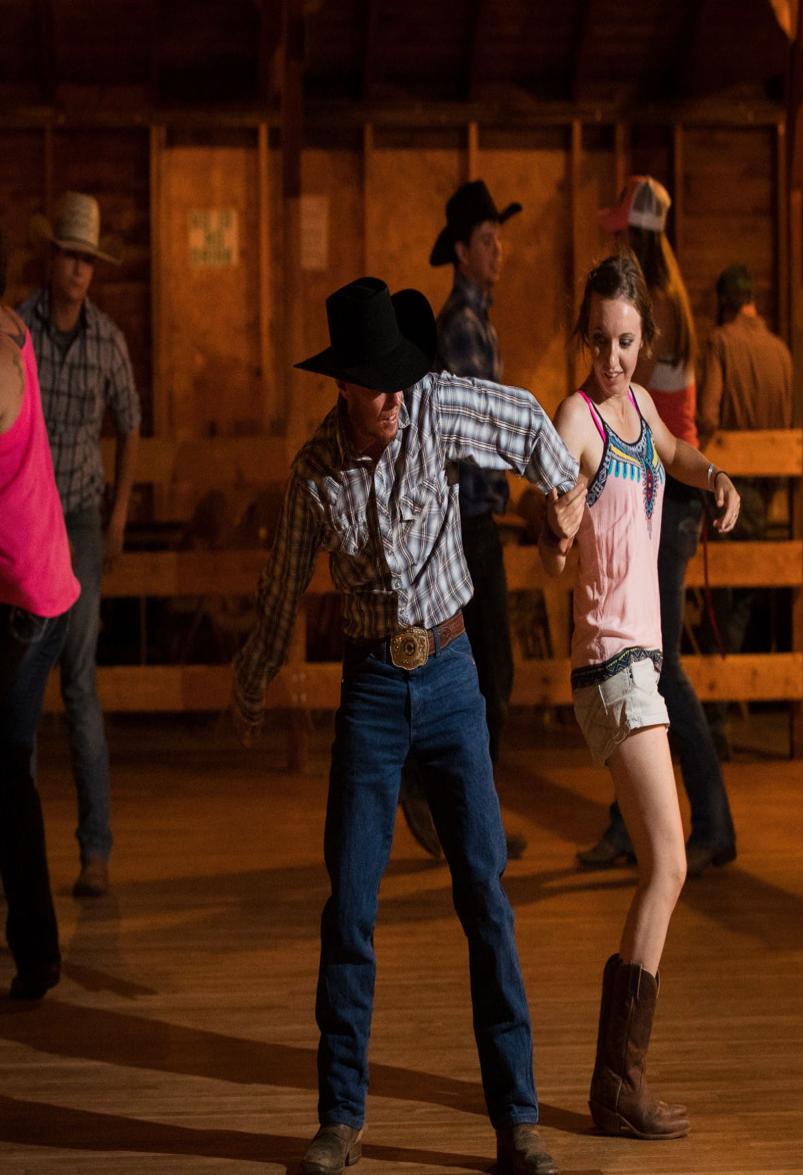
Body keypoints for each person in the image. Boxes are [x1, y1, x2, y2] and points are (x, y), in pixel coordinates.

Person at [231, 277, 584, 1175]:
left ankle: (517, 1116)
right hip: (373, 688)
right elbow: (280, 585)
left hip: (454, 675)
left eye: (400, 377)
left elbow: (522, 421)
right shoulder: (314, 474)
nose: (394, 394)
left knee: (484, 893)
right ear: (343, 384)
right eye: (377, 381)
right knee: (350, 899)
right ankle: (340, 1116)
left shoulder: (432, 406)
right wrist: (254, 675)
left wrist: (565, 489)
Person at [542, 253, 740, 1138]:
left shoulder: (639, 408)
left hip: (639, 663)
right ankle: (618, 1080)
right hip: (613, 664)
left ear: (642, 340)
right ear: (583, 337)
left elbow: (671, 451)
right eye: (598, 339)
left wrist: (715, 477)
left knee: (665, 861)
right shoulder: (577, 419)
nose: (611, 356)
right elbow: (552, 510)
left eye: (625, 341)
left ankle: (614, 1079)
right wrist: (557, 525)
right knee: (667, 860)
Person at [580, 176, 737, 879]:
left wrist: (706, 477)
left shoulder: (655, 306)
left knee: (660, 662)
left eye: (621, 233)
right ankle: (630, 818)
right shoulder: (663, 301)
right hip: (666, 492)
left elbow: (663, 436)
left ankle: (709, 819)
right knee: (647, 658)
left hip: (666, 497)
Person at [396, 179, 527, 862]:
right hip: (468, 521)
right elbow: (480, 429)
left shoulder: (470, 322)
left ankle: (459, 811)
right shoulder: (463, 325)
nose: (497, 248)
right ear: (459, 250)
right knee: (490, 673)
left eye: (498, 237)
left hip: (467, 518)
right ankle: (444, 798)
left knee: (476, 674)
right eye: (485, 240)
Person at [19, 190, 141, 899]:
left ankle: (95, 847)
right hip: (29, 518)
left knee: (80, 674)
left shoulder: (106, 341)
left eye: (88, 260)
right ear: (52, 257)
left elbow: (130, 421)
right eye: (70, 256)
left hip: (82, 518)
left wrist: (119, 509)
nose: (78, 270)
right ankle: (23, 850)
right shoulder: (18, 332)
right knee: (24, 684)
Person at [1, 228, 82, 1000]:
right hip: (34, 586)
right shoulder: (16, 330)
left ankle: (37, 948)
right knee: (8, 765)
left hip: (26, 598)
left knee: (7, 770)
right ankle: (36, 950)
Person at [696, 263, 794, 757]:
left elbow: (709, 414)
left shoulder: (720, 343)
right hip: (768, 496)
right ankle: (723, 715)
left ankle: (715, 719)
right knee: (741, 606)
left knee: (719, 605)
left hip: (729, 491)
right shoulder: (781, 352)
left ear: (726, 302)